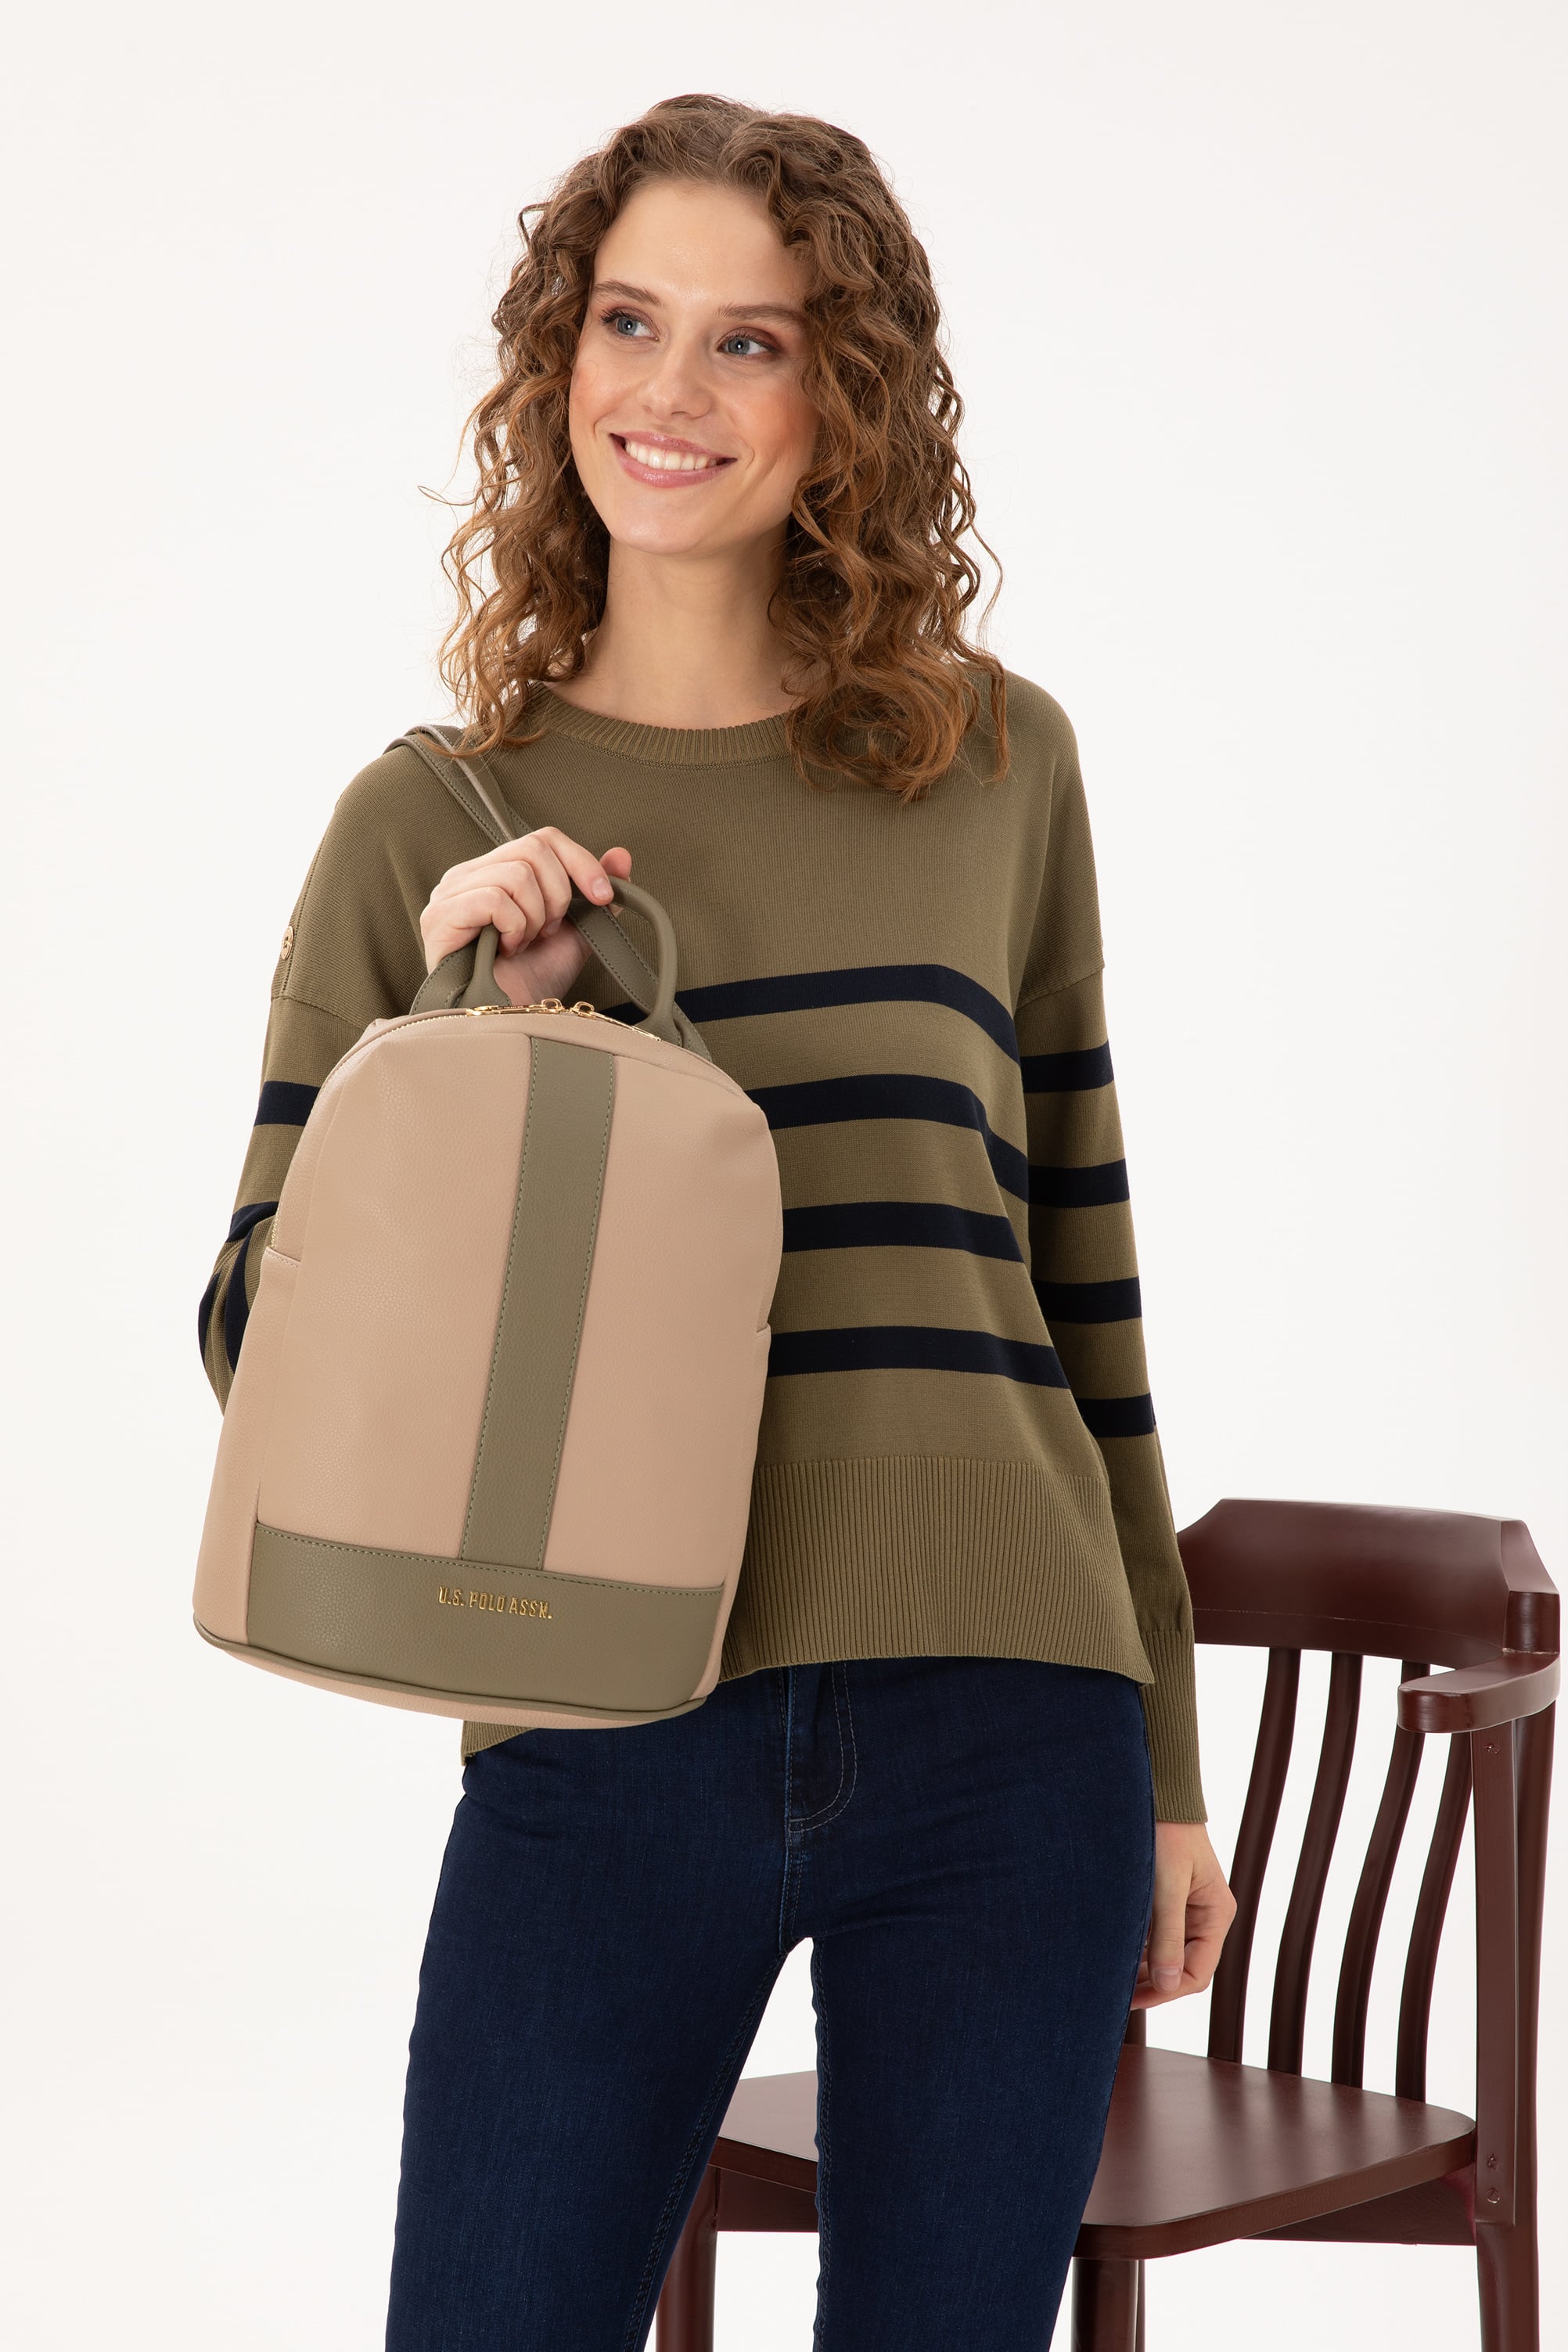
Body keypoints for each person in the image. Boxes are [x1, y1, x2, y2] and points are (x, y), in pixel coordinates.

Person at [199, 92, 1235, 2352]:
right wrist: (471, 1039)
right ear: (555, 356)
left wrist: (1161, 1761)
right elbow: (260, 1353)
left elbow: (1083, 1284)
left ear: (844, 398)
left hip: (1010, 1716)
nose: (669, 390)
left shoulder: (997, 765)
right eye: (628, 320)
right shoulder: (427, 825)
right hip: (602, 1720)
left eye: (750, 341)